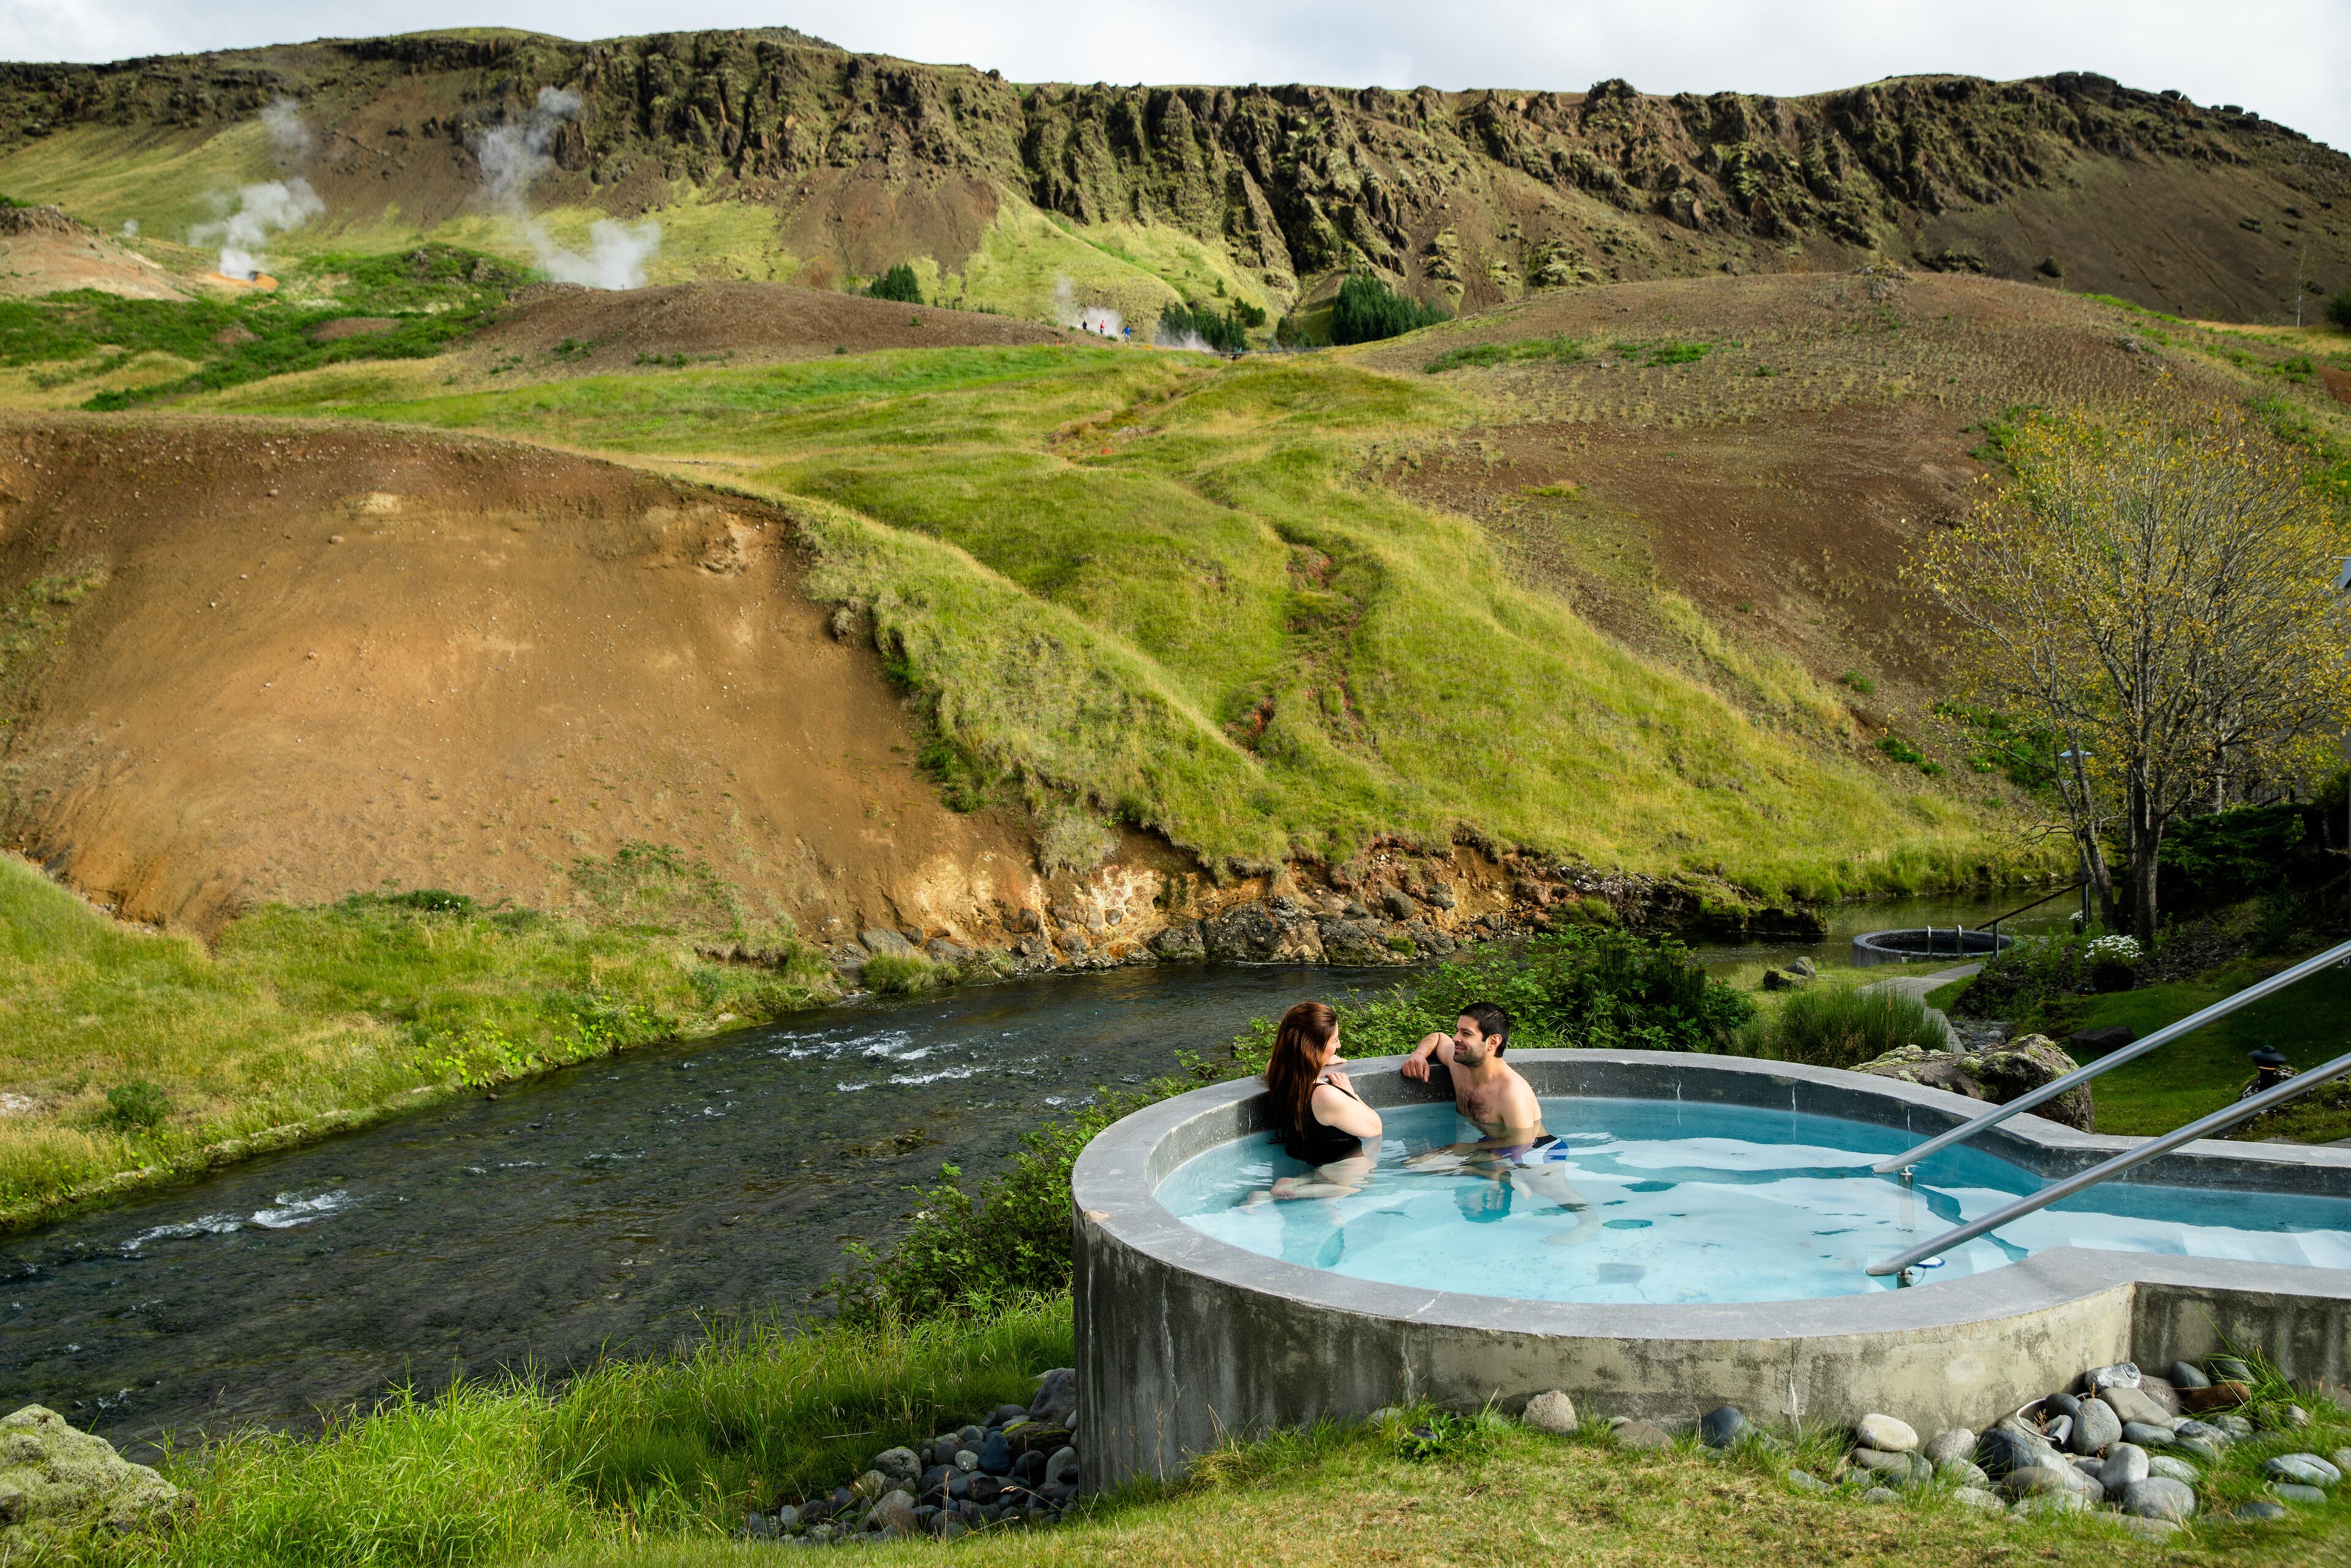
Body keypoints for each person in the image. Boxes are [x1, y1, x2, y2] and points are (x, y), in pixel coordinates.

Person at [1399, 1002, 1587, 1211]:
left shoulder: (1511, 1091)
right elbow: (1438, 1038)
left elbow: (1522, 1141)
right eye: (1457, 1030)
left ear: (1493, 1042)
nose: (1456, 1038)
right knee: (1415, 1165)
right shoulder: (1460, 1064)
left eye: (1466, 1033)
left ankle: (1589, 1224)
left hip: (1536, 1149)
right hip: (1494, 1143)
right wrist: (1418, 1055)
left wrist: (1468, 1149)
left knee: (1551, 1191)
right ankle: (1496, 1174)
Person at [1254, 1000, 1381, 1201]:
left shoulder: (1278, 1072)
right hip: (1339, 1163)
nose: (1339, 1045)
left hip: (1306, 1155)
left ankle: (1266, 1195)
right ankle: (1294, 1189)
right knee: (1360, 1184)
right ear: (1315, 1047)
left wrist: (1322, 1058)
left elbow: (1283, 1057)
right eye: (1335, 1040)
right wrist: (1351, 1094)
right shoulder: (1325, 1096)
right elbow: (1375, 1127)